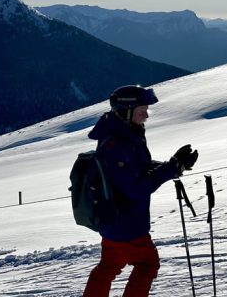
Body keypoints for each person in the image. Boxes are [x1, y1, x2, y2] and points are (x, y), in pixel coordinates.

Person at [83, 85, 199, 297]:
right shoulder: (119, 143)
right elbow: (135, 188)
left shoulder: (123, 133)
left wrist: (172, 165)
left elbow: (136, 169)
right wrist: (171, 168)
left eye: (147, 109)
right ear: (126, 111)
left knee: (108, 267)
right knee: (147, 264)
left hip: (112, 220)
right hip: (126, 224)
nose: (146, 115)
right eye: (141, 110)